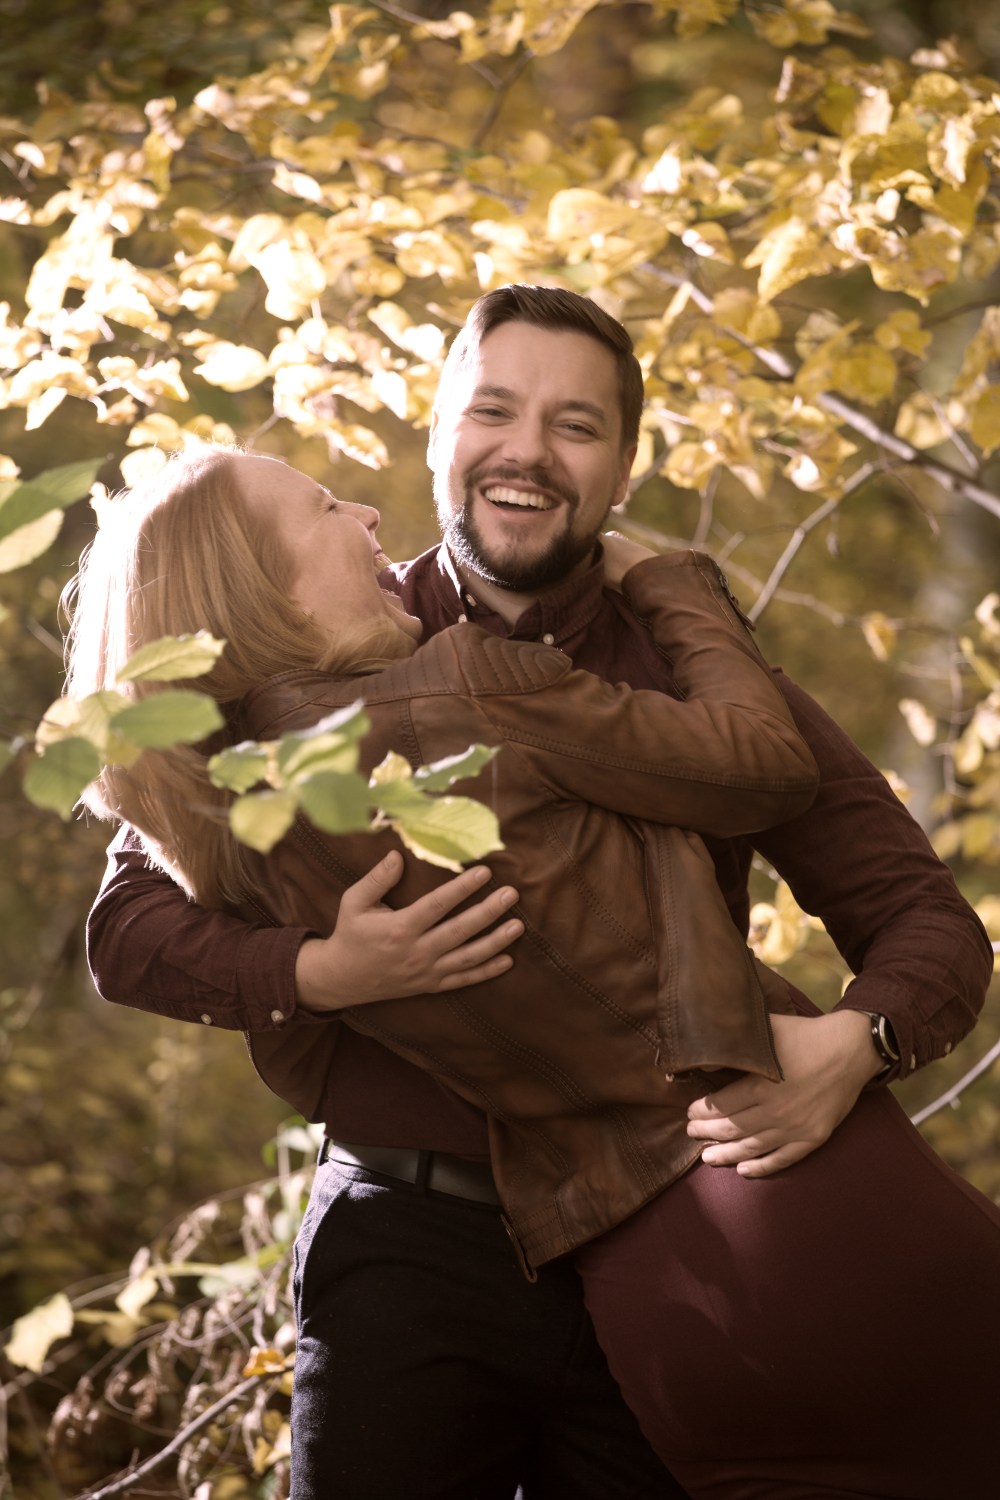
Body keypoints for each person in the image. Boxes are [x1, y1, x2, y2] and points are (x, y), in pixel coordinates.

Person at [83, 288, 994, 1498]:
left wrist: (856, 1043)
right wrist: (318, 973)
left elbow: (923, 918)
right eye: (493, 410)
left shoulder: (702, 665)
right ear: (440, 435)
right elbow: (131, 928)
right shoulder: (306, 659)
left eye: (576, 425)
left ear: (620, 466)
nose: (527, 450)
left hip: (675, 1249)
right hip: (410, 1245)